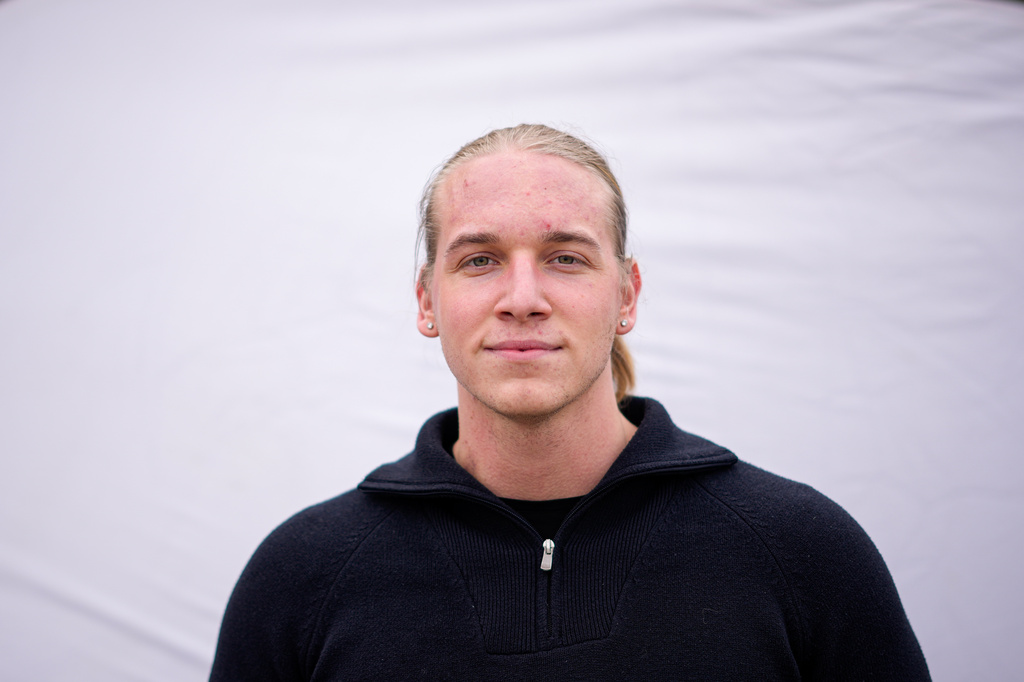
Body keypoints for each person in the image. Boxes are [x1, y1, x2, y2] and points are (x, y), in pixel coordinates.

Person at [209, 124, 930, 680]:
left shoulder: (802, 552)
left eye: (566, 258)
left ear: (627, 294)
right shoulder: (302, 575)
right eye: (480, 260)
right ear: (428, 300)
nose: (523, 300)